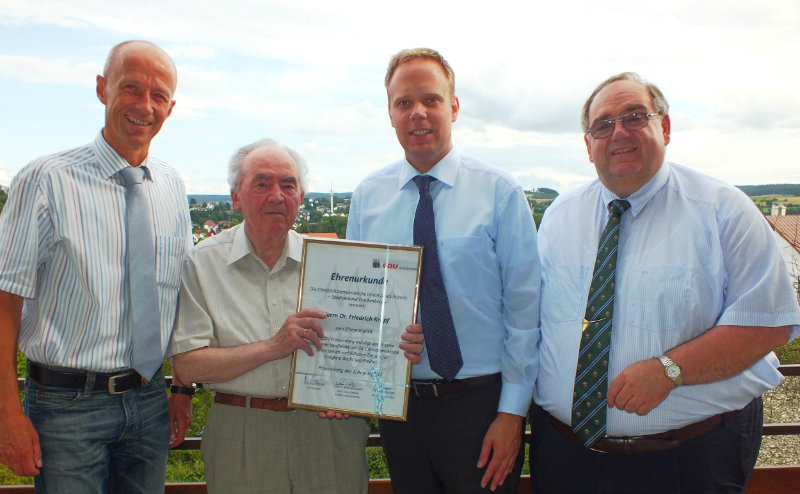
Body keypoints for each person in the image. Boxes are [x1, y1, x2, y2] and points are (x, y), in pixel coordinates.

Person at [530, 71, 800, 493]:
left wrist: (671, 370)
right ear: (588, 146)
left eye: (634, 117)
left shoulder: (723, 210)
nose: (618, 132)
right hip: (567, 458)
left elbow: (770, 322)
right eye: (603, 124)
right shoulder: (560, 216)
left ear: (665, 127)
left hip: (689, 461)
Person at [168, 138, 424, 494]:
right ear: (235, 197)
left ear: (301, 198)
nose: (276, 195)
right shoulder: (202, 263)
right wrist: (275, 346)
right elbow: (189, 366)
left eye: (288, 185)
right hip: (241, 431)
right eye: (262, 183)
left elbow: (373, 348)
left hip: (328, 430)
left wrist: (399, 347)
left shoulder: (340, 263)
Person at [0, 40, 192, 493]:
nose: (145, 105)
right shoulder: (46, 180)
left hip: (149, 401)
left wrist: (181, 389)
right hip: (66, 406)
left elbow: (179, 297)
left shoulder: (171, 186)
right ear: (103, 89)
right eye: (132, 88)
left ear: (171, 107)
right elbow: (5, 299)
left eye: (159, 95)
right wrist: (7, 411)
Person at [346, 48, 540, 493]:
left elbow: (525, 310)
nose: (417, 113)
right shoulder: (368, 197)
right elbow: (359, 303)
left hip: (482, 406)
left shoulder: (499, 191)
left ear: (453, 107)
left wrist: (512, 414)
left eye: (431, 100)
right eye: (403, 103)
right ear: (390, 114)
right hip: (401, 408)